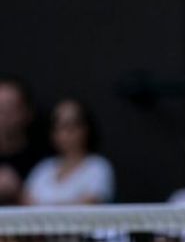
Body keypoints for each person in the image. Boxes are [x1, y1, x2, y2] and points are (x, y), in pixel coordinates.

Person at [22, 99, 113, 206]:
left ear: (86, 129)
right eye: (58, 127)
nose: (65, 133)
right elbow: (25, 203)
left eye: (71, 126)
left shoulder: (97, 167)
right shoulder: (43, 168)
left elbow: (89, 204)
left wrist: (44, 207)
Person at [0, 76, 44, 206]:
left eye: (9, 108)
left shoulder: (44, 161)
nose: (3, 116)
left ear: (27, 112)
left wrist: (18, 192)